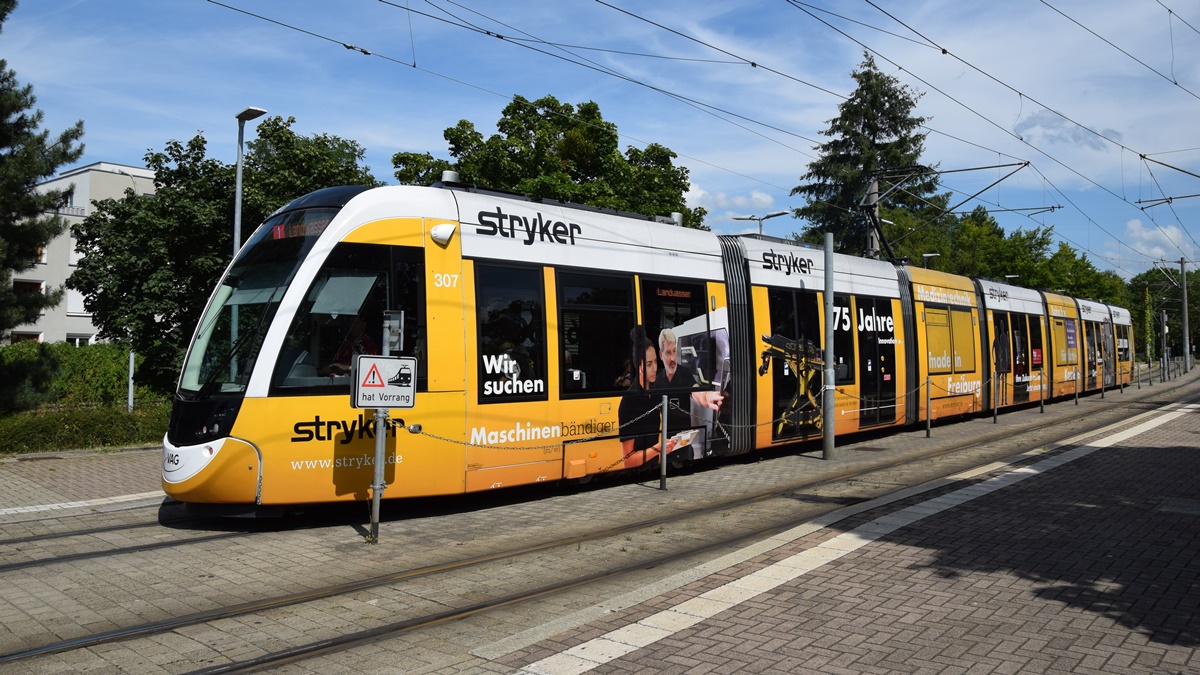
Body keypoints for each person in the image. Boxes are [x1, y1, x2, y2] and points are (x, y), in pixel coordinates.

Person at [617, 336, 678, 469]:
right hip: (637, 475)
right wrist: (658, 448)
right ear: (638, 366)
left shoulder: (655, 391)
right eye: (649, 364)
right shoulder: (629, 401)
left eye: (656, 362)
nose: (655, 368)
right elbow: (628, 460)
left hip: (654, 469)